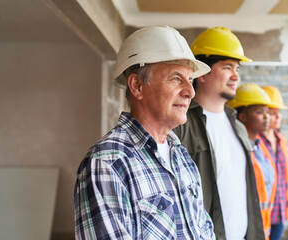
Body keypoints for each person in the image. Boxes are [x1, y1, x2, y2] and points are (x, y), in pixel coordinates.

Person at [74, 26, 215, 240]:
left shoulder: (181, 156)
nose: (190, 91)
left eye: (190, 80)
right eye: (176, 78)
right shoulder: (108, 162)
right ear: (138, 86)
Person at [173, 27, 264, 240]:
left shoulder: (239, 127)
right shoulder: (180, 124)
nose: (235, 76)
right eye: (227, 68)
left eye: (238, 70)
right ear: (203, 73)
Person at [227, 83, 277, 240]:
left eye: (267, 112)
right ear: (242, 117)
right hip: (244, 231)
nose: (266, 117)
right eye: (259, 112)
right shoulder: (235, 149)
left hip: (262, 229)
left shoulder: (261, 148)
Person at [259, 86, 288, 240]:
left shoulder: (282, 140)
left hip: (279, 212)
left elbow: (285, 176)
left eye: (278, 113)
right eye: (273, 113)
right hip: (262, 213)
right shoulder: (255, 140)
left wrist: (287, 208)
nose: (277, 117)